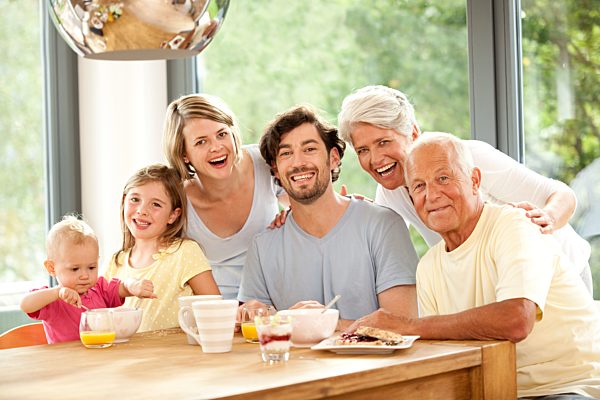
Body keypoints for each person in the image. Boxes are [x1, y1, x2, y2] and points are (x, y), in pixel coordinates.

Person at [352, 133, 600, 399]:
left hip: (568, 387)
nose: (432, 195)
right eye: (419, 187)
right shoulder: (429, 267)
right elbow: (443, 353)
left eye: (443, 179)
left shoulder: (514, 225)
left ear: (474, 181)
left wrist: (408, 326)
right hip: (496, 390)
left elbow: (517, 320)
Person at [338, 85, 594, 295]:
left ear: (413, 133)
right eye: (363, 150)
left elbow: (562, 195)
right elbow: (386, 257)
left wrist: (547, 217)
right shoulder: (389, 193)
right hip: (498, 290)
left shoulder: (469, 157)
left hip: (561, 276)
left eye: (384, 142)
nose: (375, 159)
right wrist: (359, 217)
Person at [237, 105, 419, 329]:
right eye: (286, 153)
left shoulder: (383, 226)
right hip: (296, 364)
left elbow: (404, 324)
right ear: (275, 169)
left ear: (333, 158)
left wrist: (322, 322)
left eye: (310, 149)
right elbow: (258, 333)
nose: (298, 163)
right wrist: (253, 312)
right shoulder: (263, 246)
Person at [163, 94, 289, 300]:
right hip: (213, 311)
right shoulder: (176, 198)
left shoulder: (263, 162)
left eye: (222, 134)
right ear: (184, 154)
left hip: (273, 302)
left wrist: (292, 217)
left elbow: (306, 211)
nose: (216, 147)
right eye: (201, 142)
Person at [105, 164, 220, 331]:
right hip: (127, 356)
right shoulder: (117, 262)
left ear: (173, 215)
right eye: (135, 199)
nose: (142, 210)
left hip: (175, 355)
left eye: (156, 204)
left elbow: (215, 308)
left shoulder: (184, 252)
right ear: (124, 201)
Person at [20, 215, 156, 344]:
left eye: (91, 267)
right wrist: (57, 292)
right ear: (51, 268)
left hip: (101, 357)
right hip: (67, 364)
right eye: (75, 269)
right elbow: (25, 304)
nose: (85, 275)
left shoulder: (100, 288)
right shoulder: (53, 301)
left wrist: (134, 286)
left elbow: (123, 287)